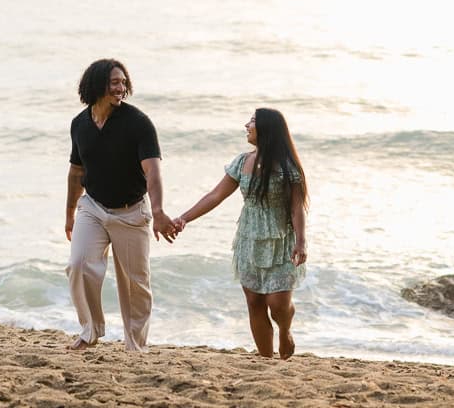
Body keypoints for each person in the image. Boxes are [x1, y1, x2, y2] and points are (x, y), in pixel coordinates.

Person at [173, 107, 308, 359]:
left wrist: (301, 241)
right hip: (249, 240)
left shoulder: (288, 167)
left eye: (252, 121)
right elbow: (215, 196)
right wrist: (184, 218)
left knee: (277, 305)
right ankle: (267, 360)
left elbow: (297, 207)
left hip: (281, 242)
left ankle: (285, 329)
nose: (246, 125)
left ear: (266, 129)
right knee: (255, 303)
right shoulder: (241, 162)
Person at [64, 58, 177, 351]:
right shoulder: (80, 124)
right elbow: (76, 172)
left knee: (134, 285)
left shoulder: (138, 123)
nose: (121, 87)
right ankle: (90, 331)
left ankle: (135, 345)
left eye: (124, 82)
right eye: (115, 82)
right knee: (78, 265)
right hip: (93, 208)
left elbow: (152, 170)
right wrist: (69, 215)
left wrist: (158, 210)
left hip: (130, 212)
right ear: (97, 84)